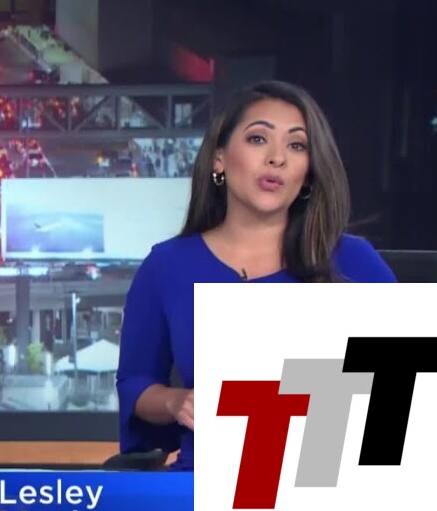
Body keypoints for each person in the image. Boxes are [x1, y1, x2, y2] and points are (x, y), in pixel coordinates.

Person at [115, 80, 396, 472]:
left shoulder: (353, 262)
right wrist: (174, 402)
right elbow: (136, 381)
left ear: (308, 173)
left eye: (296, 145)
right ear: (219, 159)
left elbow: (409, 394)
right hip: (206, 484)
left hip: (326, 483)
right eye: (258, 139)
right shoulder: (167, 266)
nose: (277, 158)